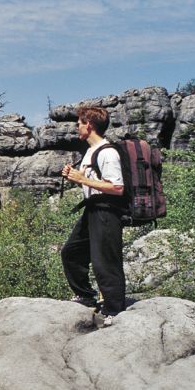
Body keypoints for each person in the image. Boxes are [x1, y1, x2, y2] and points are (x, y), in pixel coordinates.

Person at [61, 105, 127, 325]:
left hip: (107, 210)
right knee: (71, 251)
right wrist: (75, 176)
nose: (77, 128)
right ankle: (86, 295)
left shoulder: (108, 152)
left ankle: (114, 310)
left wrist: (82, 179)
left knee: (105, 260)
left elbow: (117, 188)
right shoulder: (90, 151)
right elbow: (92, 180)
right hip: (93, 208)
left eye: (79, 123)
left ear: (88, 125)